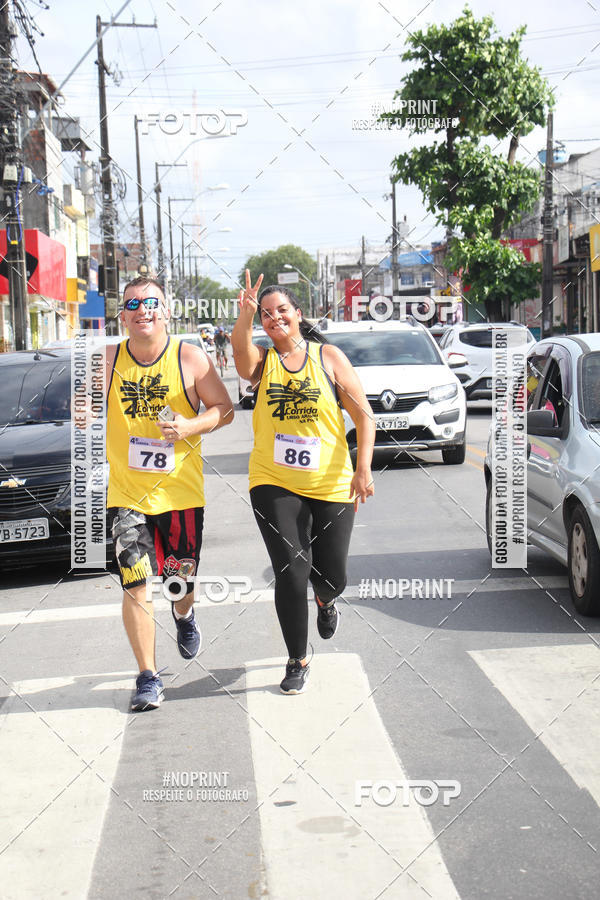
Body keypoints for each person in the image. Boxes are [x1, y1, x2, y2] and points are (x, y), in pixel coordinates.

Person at [231, 271, 375, 694]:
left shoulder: (328, 357)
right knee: (292, 571)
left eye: (282, 310)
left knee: (332, 577)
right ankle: (297, 658)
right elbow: (239, 354)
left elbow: (363, 414)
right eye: (266, 314)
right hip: (273, 480)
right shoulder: (262, 363)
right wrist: (244, 315)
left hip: (331, 482)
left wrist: (363, 468)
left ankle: (326, 601)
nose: (274, 318)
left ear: (298, 314)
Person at [105, 276, 234, 711]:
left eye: (151, 302)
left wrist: (190, 426)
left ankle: (184, 613)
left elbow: (225, 410)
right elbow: (79, 410)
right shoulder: (106, 360)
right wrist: (81, 409)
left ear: (167, 312)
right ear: (122, 316)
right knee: (135, 584)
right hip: (127, 496)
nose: (142, 310)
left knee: (179, 581)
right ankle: (147, 676)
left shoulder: (190, 358)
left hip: (180, 494)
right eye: (132, 304)